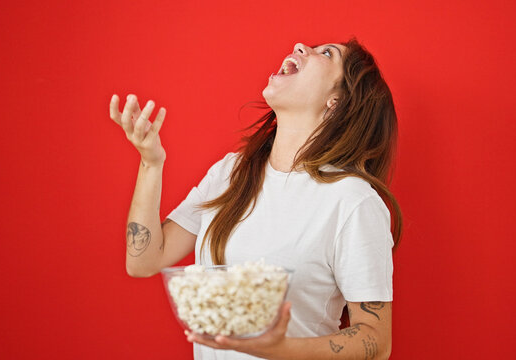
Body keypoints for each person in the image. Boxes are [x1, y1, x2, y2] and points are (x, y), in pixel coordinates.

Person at [109, 36, 402, 360]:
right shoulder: (230, 172)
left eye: (326, 53)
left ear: (336, 101)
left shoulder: (352, 201)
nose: (302, 45)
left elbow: (376, 342)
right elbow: (143, 261)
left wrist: (281, 349)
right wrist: (151, 163)